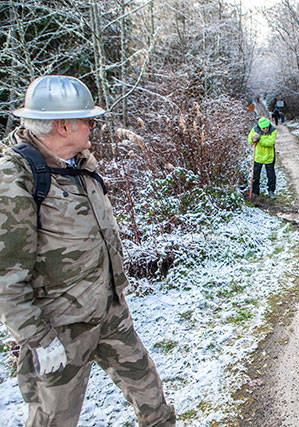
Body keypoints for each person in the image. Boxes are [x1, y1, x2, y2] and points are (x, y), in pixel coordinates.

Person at [0, 75, 175, 426]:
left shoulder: (79, 164)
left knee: (153, 400)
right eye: (87, 120)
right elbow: (5, 274)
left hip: (109, 312)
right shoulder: (15, 177)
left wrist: (116, 295)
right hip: (60, 330)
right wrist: (36, 337)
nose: (93, 127)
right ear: (64, 126)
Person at [248, 117, 277, 199]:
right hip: (258, 156)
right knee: (256, 176)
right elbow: (250, 140)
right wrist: (253, 139)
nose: (266, 129)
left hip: (269, 156)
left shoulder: (273, 130)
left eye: (267, 127)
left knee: (271, 175)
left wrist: (259, 139)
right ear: (260, 127)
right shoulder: (254, 130)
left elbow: (270, 142)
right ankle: (255, 192)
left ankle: (271, 191)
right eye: (263, 128)